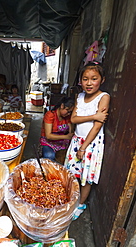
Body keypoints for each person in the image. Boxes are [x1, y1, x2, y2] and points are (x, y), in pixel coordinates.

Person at [64, 61, 110, 220]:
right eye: (85, 79)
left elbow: (97, 127)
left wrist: (83, 148)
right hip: (77, 141)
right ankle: (70, 199)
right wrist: (93, 116)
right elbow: (74, 118)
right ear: (80, 81)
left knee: (86, 177)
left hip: (90, 145)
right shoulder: (80, 96)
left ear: (102, 80)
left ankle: (81, 204)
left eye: (94, 78)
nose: (89, 83)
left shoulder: (103, 97)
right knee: (72, 172)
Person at [39, 97, 75, 163]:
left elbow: (71, 131)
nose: (68, 114)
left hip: (62, 142)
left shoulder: (67, 117)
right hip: (48, 142)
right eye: (67, 110)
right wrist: (66, 137)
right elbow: (48, 136)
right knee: (49, 155)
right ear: (62, 106)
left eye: (70, 112)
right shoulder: (50, 115)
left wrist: (70, 128)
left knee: (70, 155)